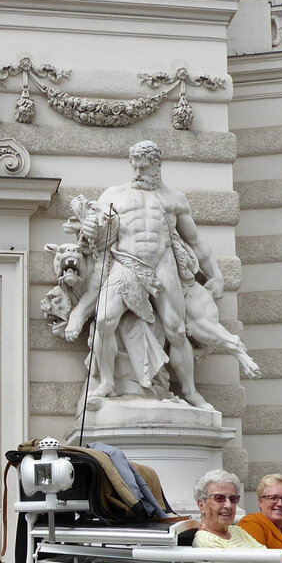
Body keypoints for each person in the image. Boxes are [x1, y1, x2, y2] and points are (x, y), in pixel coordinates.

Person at [69, 140, 216, 410]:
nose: (137, 172)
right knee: (103, 321)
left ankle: (190, 392)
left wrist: (215, 274)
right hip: (127, 263)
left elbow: (195, 242)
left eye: (144, 167)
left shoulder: (174, 199)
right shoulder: (114, 195)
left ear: (157, 166)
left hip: (163, 264)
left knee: (176, 329)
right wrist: (88, 227)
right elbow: (95, 229)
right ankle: (107, 383)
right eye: (134, 167)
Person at [190, 469, 278, 563]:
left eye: (233, 499)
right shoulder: (204, 542)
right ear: (201, 505)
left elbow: (274, 561)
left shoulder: (235, 531)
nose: (228, 505)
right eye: (219, 498)